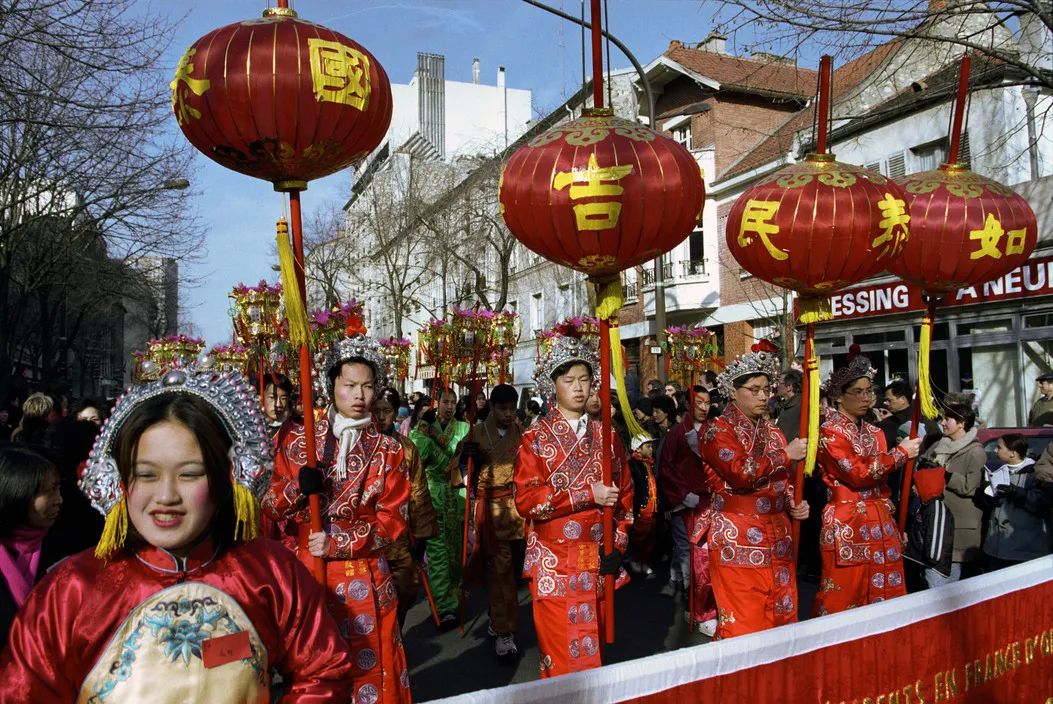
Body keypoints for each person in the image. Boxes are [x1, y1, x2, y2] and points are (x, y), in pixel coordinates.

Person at [1, 364, 354, 700]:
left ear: (222, 479)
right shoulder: (71, 590)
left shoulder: (269, 574)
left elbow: (323, 671)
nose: (166, 497)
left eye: (189, 474)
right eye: (147, 474)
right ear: (122, 480)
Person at [264, 335, 412, 704]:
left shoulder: (389, 450)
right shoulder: (301, 442)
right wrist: (298, 489)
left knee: (373, 672)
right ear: (331, 387)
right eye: (349, 385)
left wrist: (339, 543)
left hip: (366, 576)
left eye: (367, 385)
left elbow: (393, 521)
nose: (359, 394)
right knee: (315, 672)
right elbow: (270, 505)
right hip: (310, 573)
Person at [514, 333, 633, 677]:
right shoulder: (534, 438)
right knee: (562, 658)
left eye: (584, 380)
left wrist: (619, 545)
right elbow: (526, 500)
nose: (578, 388)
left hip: (596, 557)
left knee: (592, 655)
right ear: (553, 385)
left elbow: (624, 496)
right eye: (569, 380)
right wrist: (584, 495)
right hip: (554, 560)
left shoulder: (607, 435)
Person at [700, 340, 809, 638]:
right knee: (746, 628)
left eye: (767, 389)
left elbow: (781, 479)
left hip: (777, 536)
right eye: (754, 390)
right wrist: (786, 455)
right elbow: (741, 473)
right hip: (739, 538)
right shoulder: (716, 431)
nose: (763, 397)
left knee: (782, 623)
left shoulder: (772, 430)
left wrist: (792, 502)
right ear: (733, 392)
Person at [814, 355, 921, 616]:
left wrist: (896, 524)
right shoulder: (830, 432)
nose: (866, 398)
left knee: (887, 596)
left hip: (880, 519)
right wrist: (899, 454)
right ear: (839, 396)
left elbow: (882, 483)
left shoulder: (874, 432)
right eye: (858, 392)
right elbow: (857, 473)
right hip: (848, 520)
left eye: (869, 391)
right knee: (844, 597)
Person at [453, 384, 525, 659]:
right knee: (500, 570)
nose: (508, 414)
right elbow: (459, 471)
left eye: (512, 409)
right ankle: (505, 631)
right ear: (492, 408)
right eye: (503, 409)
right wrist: (466, 460)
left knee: (516, 570)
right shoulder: (477, 434)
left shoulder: (523, 435)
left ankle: (498, 617)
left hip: (519, 508)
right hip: (490, 509)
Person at [375, 388, 437, 628]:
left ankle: (396, 637)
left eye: (387, 411)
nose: (381, 417)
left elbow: (419, 492)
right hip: (370, 536)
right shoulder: (360, 446)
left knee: (406, 592)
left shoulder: (408, 448)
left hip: (401, 536)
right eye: (376, 411)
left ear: (396, 414)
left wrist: (420, 536)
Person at [409, 386, 469, 629]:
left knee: (455, 551)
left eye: (453, 401)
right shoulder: (421, 429)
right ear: (436, 402)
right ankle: (443, 606)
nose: (449, 406)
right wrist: (424, 431)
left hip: (456, 495)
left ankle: (454, 596)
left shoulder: (464, 428)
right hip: (433, 494)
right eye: (445, 401)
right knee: (437, 553)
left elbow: (466, 456)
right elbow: (417, 456)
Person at [658, 386, 717, 632]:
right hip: (689, 504)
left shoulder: (715, 430)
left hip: (715, 501)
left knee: (716, 557)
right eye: (698, 403)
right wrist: (683, 494)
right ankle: (699, 610)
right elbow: (666, 469)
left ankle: (714, 606)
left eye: (707, 403)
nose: (704, 408)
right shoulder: (676, 434)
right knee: (697, 559)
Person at [0, 447, 63, 644]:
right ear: (17, 494)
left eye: (58, 488)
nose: (59, 500)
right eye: (48, 491)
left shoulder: (67, 546)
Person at [920, 402, 985, 586]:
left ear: (961, 423)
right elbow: (923, 464)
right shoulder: (939, 445)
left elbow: (970, 487)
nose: (942, 423)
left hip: (959, 525)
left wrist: (946, 475)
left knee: (950, 579)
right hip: (935, 521)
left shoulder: (975, 452)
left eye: (947, 419)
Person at [983, 433, 1053, 569]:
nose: (995, 451)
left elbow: (1041, 503)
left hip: (1024, 548)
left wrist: (1018, 493)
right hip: (997, 546)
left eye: (999, 447)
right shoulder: (997, 470)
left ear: (1012, 453)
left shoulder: (1035, 473)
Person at [627, 434, 658, 576]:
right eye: (648, 446)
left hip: (653, 506)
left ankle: (644, 561)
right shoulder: (633, 465)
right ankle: (635, 559)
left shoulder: (651, 463)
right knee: (639, 536)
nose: (651, 449)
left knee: (650, 537)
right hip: (642, 506)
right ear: (638, 449)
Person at [774, 369, 803, 442]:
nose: (776, 386)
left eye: (779, 383)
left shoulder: (794, 408)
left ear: (789, 387)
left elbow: (780, 438)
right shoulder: (791, 403)